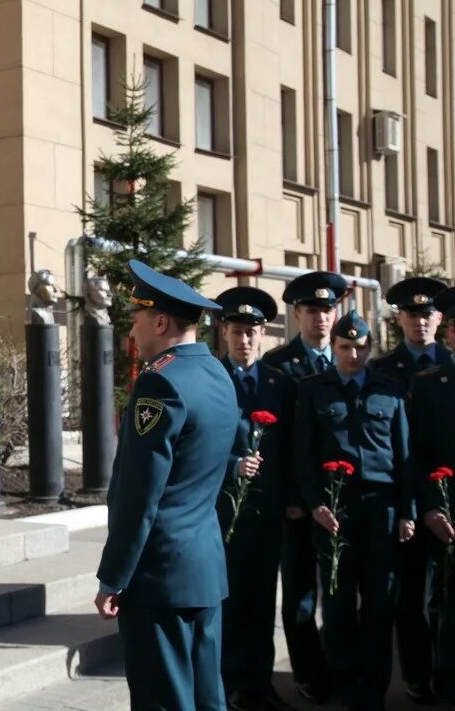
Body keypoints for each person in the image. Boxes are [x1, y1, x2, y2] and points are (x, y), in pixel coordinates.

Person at [95, 260, 237, 710]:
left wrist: (114, 576)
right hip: (204, 570)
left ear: (159, 321)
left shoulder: (160, 384)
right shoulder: (218, 374)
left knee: (164, 700)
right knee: (205, 697)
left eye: (136, 319)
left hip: (160, 576)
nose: (132, 331)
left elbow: (139, 495)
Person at [294, 310, 415, 711]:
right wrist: (315, 504)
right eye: (345, 347)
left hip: (381, 511)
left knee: (381, 604)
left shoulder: (391, 391)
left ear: (370, 348)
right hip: (335, 511)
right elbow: (304, 456)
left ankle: (374, 691)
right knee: (340, 604)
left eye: (360, 347)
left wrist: (407, 511)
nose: (353, 355)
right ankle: (347, 689)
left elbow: (405, 458)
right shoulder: (313, 390)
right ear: (335, 347)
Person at [262, 270, 349, 704]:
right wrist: (295, 500)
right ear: (298, 314)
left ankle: (338, 666)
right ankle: (309, 674)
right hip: (297, 504)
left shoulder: (351, 358)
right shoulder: (278, 366)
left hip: (342, 502)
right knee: (299, 595)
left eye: (328, 309)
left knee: (339, 591)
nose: (321, 318)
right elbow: (275, 441)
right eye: (312, 310)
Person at [213, 287, 299, 711]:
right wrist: (233, 465)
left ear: (263, 335)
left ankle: (259, 683)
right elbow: (200, 444)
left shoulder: (279, 384)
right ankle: (228, 683)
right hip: (223, 509)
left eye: (251, 332)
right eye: (236, 332)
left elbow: (292, 448)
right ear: (224, 333)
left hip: (267, 509)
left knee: (262, 600)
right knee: (228, 599)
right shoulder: (212, 379)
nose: (244, 340)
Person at [369, 277, 447, 703]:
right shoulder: (380, 370)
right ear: (399, 319)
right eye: (412, 314)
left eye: (428, 314)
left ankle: (445, 670)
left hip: (446, 498)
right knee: (409, 595)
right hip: (402, 502)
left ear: (439, 318)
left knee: (446, 597)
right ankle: (416, 675)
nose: (421, 321)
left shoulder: (452, 366)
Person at [410, 285, 455, 706]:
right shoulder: (429, 386)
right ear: (451, 336)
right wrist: (429, 507)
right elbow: (417, 455)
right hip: (447, 517)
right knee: (445, 607)